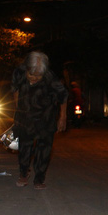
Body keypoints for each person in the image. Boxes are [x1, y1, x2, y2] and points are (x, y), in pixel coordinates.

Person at [11, 51, 68, 190]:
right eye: (32, 75)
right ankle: (23, 173)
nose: (34, 79)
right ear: (27, 69)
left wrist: (62, 117)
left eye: (38, 76)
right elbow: (15, 90)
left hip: (46, 117)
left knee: (44, 149)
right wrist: (18, 111)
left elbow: (63, 95)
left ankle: (39, 178)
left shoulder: (50, 77)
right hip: (25, 116)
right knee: (24, 147)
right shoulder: (19, 72)